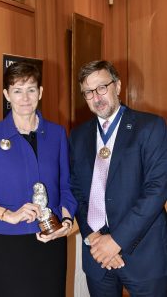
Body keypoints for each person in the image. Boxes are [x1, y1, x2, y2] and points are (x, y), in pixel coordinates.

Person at [0, 61, 77, 297]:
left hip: (50, 243)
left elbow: (67, 187)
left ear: (41, 92)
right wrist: (8, 215)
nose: (25, 97)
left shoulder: (57, 134)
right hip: (6, 246)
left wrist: (65, 224)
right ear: (7, 94)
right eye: (17, 90)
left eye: (31, 89)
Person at [69, 60, 167, 297]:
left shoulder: (150, 127)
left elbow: (157, 190)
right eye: (89, 92)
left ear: (118, 86)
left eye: (102, 87)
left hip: (144, 255)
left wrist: (116, 241)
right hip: (97, 256)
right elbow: (76, 190)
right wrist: (93, 238)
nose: (97, 96)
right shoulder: (78, 135)